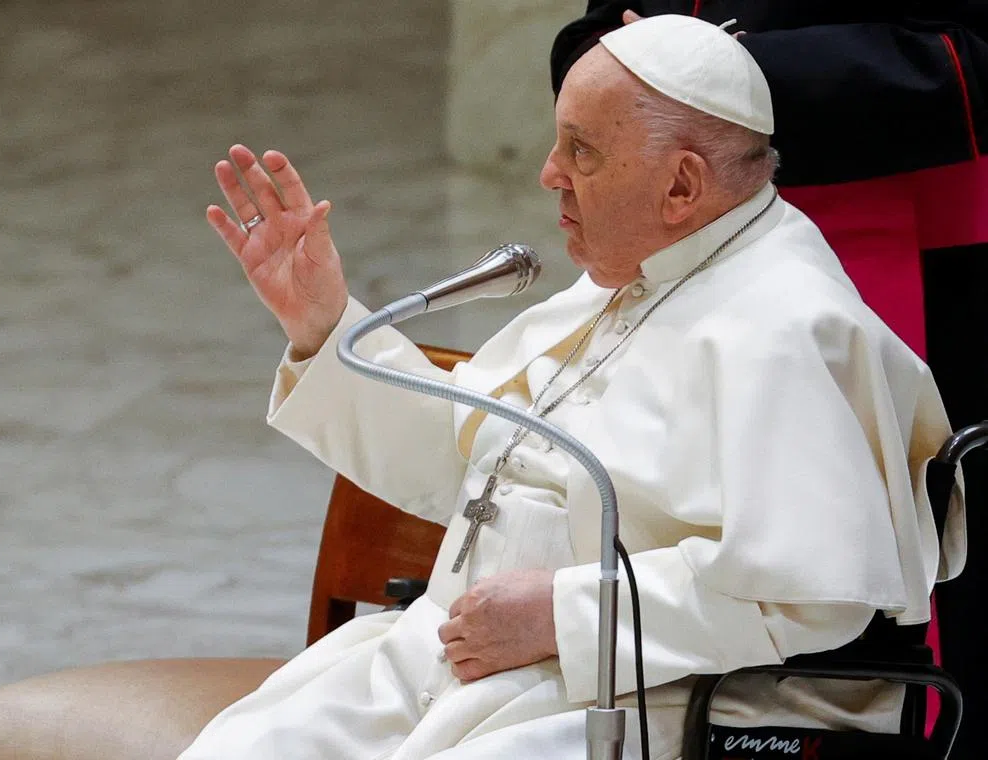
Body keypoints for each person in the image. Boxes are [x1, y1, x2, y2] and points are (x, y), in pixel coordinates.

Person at [181, 15, 964, 760]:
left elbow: (809, 596)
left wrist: (562, 616)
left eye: (580, 151)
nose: (547, 173)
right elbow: (470, 470)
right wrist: (322, 322)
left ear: (682, 187)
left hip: (651, 695)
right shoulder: (632, 277)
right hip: (464, 657)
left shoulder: (790, 326)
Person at [553, 8, 987, 750]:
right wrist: (624, 73)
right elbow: (594, 34)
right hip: (671, 232)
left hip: (896, 237)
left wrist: (710, 73)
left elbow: (964, 58)